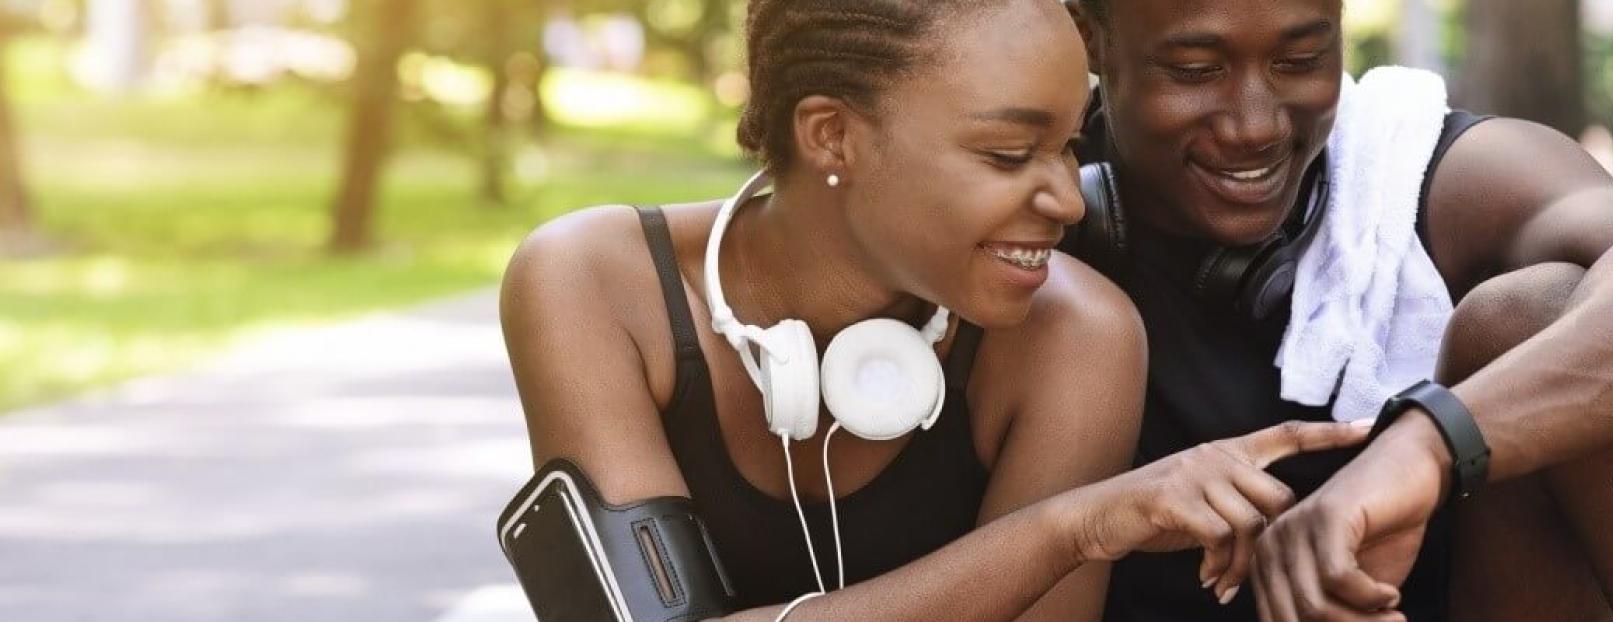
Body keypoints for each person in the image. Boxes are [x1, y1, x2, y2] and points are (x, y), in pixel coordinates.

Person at [499, 0, 1373, 620]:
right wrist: (1071, 530)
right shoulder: (595, 284)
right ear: (831, 134)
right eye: (1008, 153)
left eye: (1071, 145)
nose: (1069, 200)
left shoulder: (1076, 335)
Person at [1061, 0, 1613, 620]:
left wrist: (1431, 442)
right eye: (1195, 70)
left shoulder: (1421, 175)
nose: (1255, 124)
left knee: (1532, 314)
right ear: (1092, 37)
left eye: (1299, 60)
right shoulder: (1023, 209)